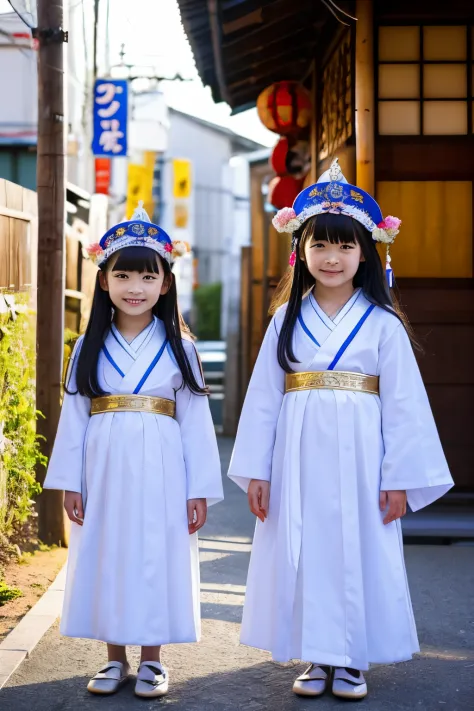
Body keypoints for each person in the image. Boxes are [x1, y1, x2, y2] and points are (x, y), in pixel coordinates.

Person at [228, 160, 453, 700]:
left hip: (362, 455)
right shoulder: (285, 319)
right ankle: (314, 653)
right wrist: (257, 468)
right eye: (320, 246)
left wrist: (400, 476)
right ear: (299, 251)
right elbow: (263, 398)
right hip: (297, 452)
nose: (332, 258)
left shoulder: (382, 323)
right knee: (302, 546)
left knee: (358, 546)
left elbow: (404, 405)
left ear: (368, 254)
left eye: (346, 247)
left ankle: (351, 658)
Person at [43, 203, 223, 698]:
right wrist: (71, 482)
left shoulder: (181, 347)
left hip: (163, 464)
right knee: (106, 551)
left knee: (156, 553)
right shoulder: (87, 346)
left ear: (166, 283)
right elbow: (75, 416)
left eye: (148, 276)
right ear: (104, 281)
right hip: (102, 464)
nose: (135, 287)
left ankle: (152, 660)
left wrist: (198, 488)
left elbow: (195, 421)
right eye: (123, 275)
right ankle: (112, 657)